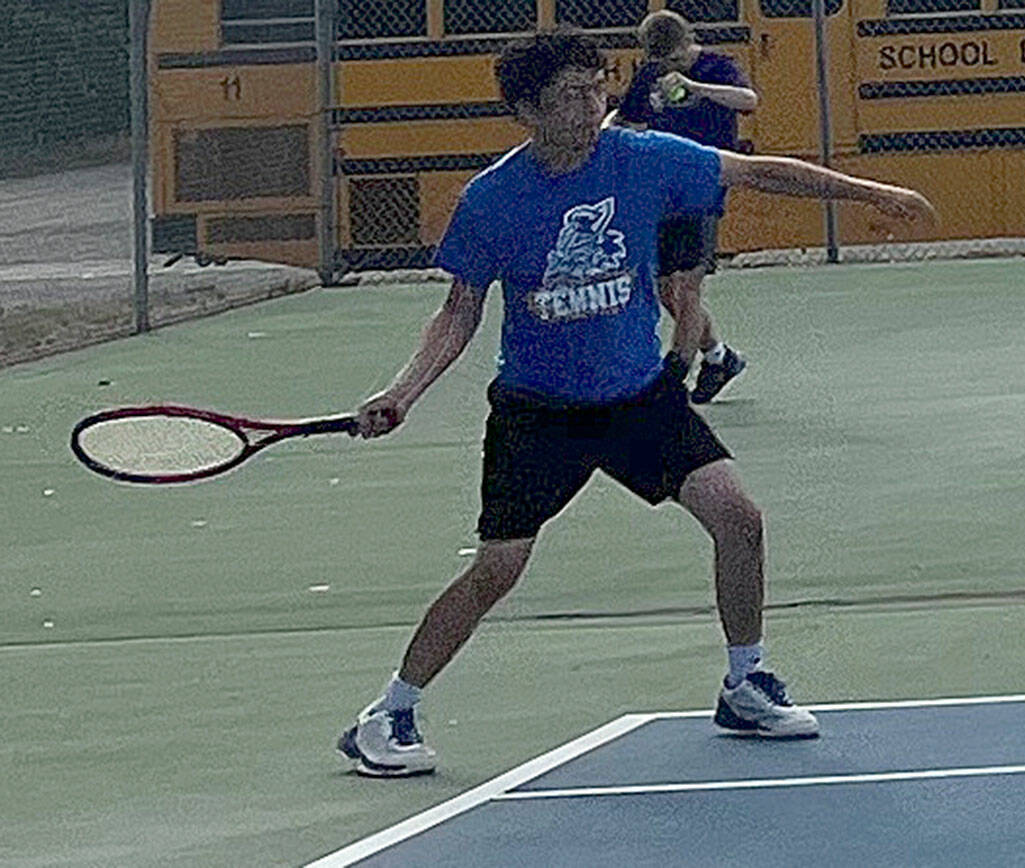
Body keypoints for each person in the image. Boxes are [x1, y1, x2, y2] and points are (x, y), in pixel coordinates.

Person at [336, 32, 937, 777]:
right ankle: (387, 712)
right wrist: (402, 392)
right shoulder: (492, 200)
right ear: (525, 110)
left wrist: (872, 192)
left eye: (597, 87)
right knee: (498, 568)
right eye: (569, 96)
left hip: (637, 399)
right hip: (538, 412)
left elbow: (757, 173)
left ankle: (745, 683)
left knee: (739, 517)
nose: (592, 105)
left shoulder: (642, 157)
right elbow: (459, 312)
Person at [610, 10, 757, 404]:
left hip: (702, 187)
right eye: (662, 62)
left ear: (686, 44)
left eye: (675, 60)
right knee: (665, 290)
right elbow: (627, 119)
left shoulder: (716, 66)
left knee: (687, 285)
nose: (668, 68)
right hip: (658, 190)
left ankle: (674, 373)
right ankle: (718, 357)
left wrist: (695, 86)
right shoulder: (649, 73)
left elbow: (748, 100)